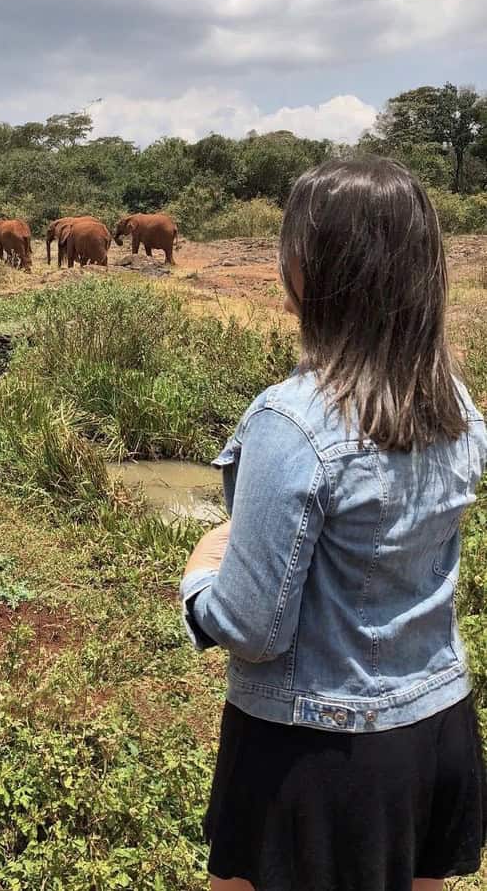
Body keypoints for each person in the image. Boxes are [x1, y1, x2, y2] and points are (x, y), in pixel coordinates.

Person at [181, 156, 487, 891]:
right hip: (438, 725)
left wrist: (198, 579)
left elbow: (252, 628)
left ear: (309, 270)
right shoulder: (453, 401)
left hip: (313, 750)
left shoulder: (291, 419)